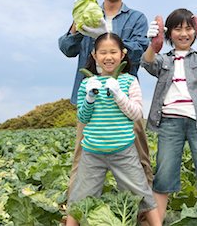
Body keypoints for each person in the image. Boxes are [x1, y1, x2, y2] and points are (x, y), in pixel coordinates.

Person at [58, 0, 153, 198]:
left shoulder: (136, 18)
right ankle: (76, 213)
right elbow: (67, 48)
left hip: (126, 98)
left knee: (140, 159)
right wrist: (77, 28)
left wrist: (106, 36)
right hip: (91, 100)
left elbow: (138, 50)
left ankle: (144, 214)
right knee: (81, 160)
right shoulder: (88, 15)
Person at [141, 8, 197, 220]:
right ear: (169, 34)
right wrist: (153, 45)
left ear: (195, 32)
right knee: (163, 177)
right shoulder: (164, 59)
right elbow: (147, 63)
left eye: (188, 28)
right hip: (169, 122)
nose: (184, 34)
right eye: (177, 29)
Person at [65, 33, 161, 226]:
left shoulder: (129, 81)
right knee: (79, 198)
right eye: (103, 53)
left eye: (113, 52)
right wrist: (90, 98)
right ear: (94, 55)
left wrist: (118, 95)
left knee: (142, 194)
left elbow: (136, 114)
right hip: (92, 152)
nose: (108, 57)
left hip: (123, 151)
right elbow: (83, 117)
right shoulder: (87, 83)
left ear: (123, 54)